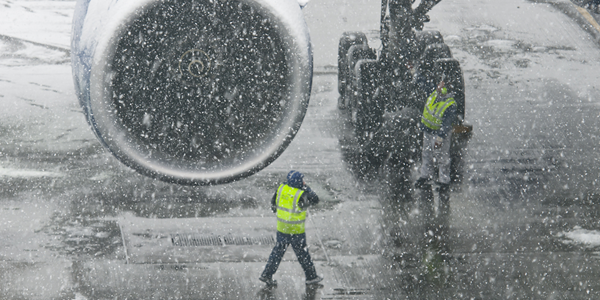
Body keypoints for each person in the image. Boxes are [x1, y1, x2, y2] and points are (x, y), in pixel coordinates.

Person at [259, 170, 323, 286]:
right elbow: (315, 199)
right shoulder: (301, 194)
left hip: (282, 228)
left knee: (277, 252)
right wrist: (306, 188)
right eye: (302, 180)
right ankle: (311, 277)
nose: (304, 181)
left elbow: (273, 203)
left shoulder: (282, 188)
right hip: (296, 230)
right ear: (299, 182)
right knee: (303, 254)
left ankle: (266, 275)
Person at [414, 71, 457, 201]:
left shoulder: (450, 104)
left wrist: (440, 138)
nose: (438, 86)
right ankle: (425, 176)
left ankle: (444, 181)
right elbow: (424, 84)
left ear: (446, 89)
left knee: (441, 157)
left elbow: (447, 123)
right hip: (428, 130)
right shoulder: (434, 93)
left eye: (441, 85)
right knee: (426, 154)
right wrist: (414, 73)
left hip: (438, 134)